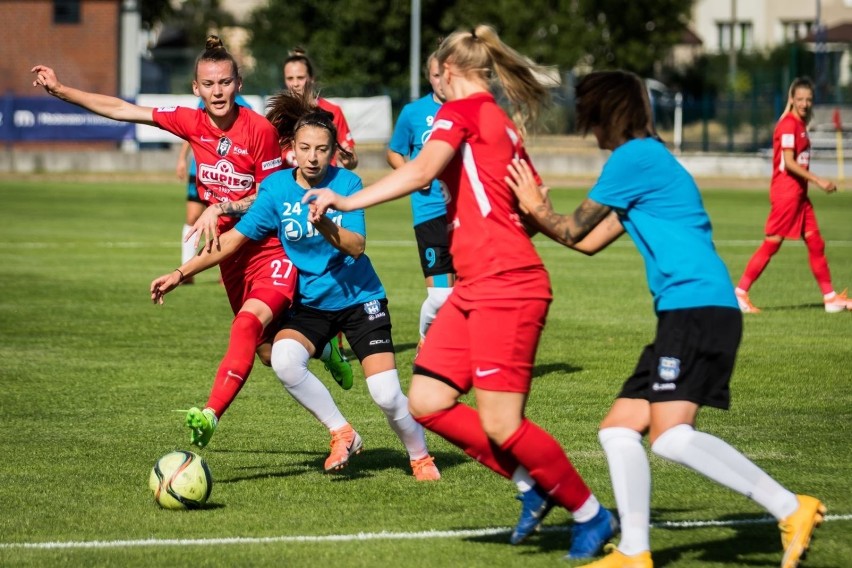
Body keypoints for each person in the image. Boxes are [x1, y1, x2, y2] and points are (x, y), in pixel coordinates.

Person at [304, 25, 616, 559]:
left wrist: (343, 199)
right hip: (477, 286)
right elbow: (525, 202)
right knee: (425, 400)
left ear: (447, 72)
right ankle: (529, 485)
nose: (435, 87)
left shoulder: (464, 111)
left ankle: (591, 514)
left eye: (436, 77)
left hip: (506, 284)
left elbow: (423, 168)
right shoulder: (500, 123)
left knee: (501, 421)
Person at [505, 70, 826, 568]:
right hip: (688, 311)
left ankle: (790, 507)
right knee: (617, 430)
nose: (590, 132)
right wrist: (536, 217)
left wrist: (535, 208)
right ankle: (634, 551)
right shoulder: (647, 161)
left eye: (591, 119)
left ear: (606, 116)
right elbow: (586, 242)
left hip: (696, 309)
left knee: (672, 437)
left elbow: (570, 228)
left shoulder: (634, 158)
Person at [31, 36, 351, 451]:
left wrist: (221, 206)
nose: (217, 91)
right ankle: (326, 350)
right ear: (195, 88)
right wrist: (61, 90)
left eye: (224, 82)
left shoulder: (257, 130)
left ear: (238, 84)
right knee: (269, 354)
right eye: (208, 84)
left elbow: (274, 196)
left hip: (270, 249)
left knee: (247, 324)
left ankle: (210, 413)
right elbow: (123, 110)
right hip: (230, 258)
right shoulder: (189, 121)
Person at [151, 90, 441, 481]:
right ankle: (343, 433)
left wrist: (324, 220)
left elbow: (357, 246)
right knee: (283, 359)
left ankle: (420, 456)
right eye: (305, 148)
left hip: (360, 299)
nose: (313, 157)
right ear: (292, 149)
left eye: (322, 149)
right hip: (313, 303)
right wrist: (181, 272)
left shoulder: (348, 183)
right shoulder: (276, 190)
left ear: (332, 149)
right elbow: (235, 240)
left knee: (387, 395)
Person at [735, 76, 850, 314]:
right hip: (786, 194)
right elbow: (788, 162)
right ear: (791, 99)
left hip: (799, 195)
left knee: (816, 241)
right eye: (800, 99)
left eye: (808, 99)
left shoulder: (799, 125)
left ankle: (830, 298)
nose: (805, 104)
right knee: (772, 243)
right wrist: (818, 180)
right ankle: (740, 293)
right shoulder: (788, 125)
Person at [386, 52, 455, 351]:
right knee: (441, 297)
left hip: (464, 214)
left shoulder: (466, 112)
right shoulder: (413, 112)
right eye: (436, 75)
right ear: (429, 77)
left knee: (466, 296)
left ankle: (449, 357)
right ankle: (427, 343)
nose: (442, 82)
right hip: (429, 213)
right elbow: (394, 152)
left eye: (447, 74)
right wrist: (414, 173)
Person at [175, 94, 253, 283]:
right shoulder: (204, 102)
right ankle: (187, 271)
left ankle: (226, 269)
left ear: (237, 83)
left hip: (227, 176)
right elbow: (191, 132)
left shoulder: (246, 108)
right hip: (200, 170)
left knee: (225, 222)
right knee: (192, 217)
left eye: (226, 81)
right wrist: (182, 159)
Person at [282, 47, 358, 170]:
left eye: (300, 78)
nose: (295, 84)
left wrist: (347, 158)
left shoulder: (332, 111)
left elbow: (352, 161)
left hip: (324, 185)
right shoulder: (278, 114)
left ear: (312, 78)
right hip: (290, 186)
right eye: (290, 78)